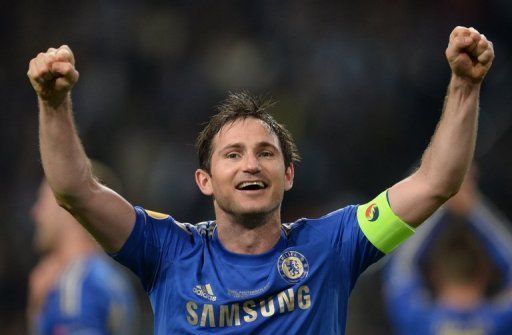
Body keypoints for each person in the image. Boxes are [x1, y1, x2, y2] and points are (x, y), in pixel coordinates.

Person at [26, 26, 494, 334]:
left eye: (265, 153)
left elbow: (437, 181)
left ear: (288, 175)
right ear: (204, 180)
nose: (251, 164)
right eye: (233, 155)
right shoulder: (166, 249)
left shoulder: (333, 244)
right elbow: (74, 191)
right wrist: (53, 105)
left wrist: (464, 85)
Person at [384, 167, 512, 335]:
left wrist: (439, 198)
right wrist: (473, 208)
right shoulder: (501, 321)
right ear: (485, 272)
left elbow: (401, 267)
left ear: (434, 275)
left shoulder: (418, 321)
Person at [27, 163, 139, 335]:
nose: (35, 212)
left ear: (66, 208)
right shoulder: (112, 278)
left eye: (42, 200)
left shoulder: (76, 286)